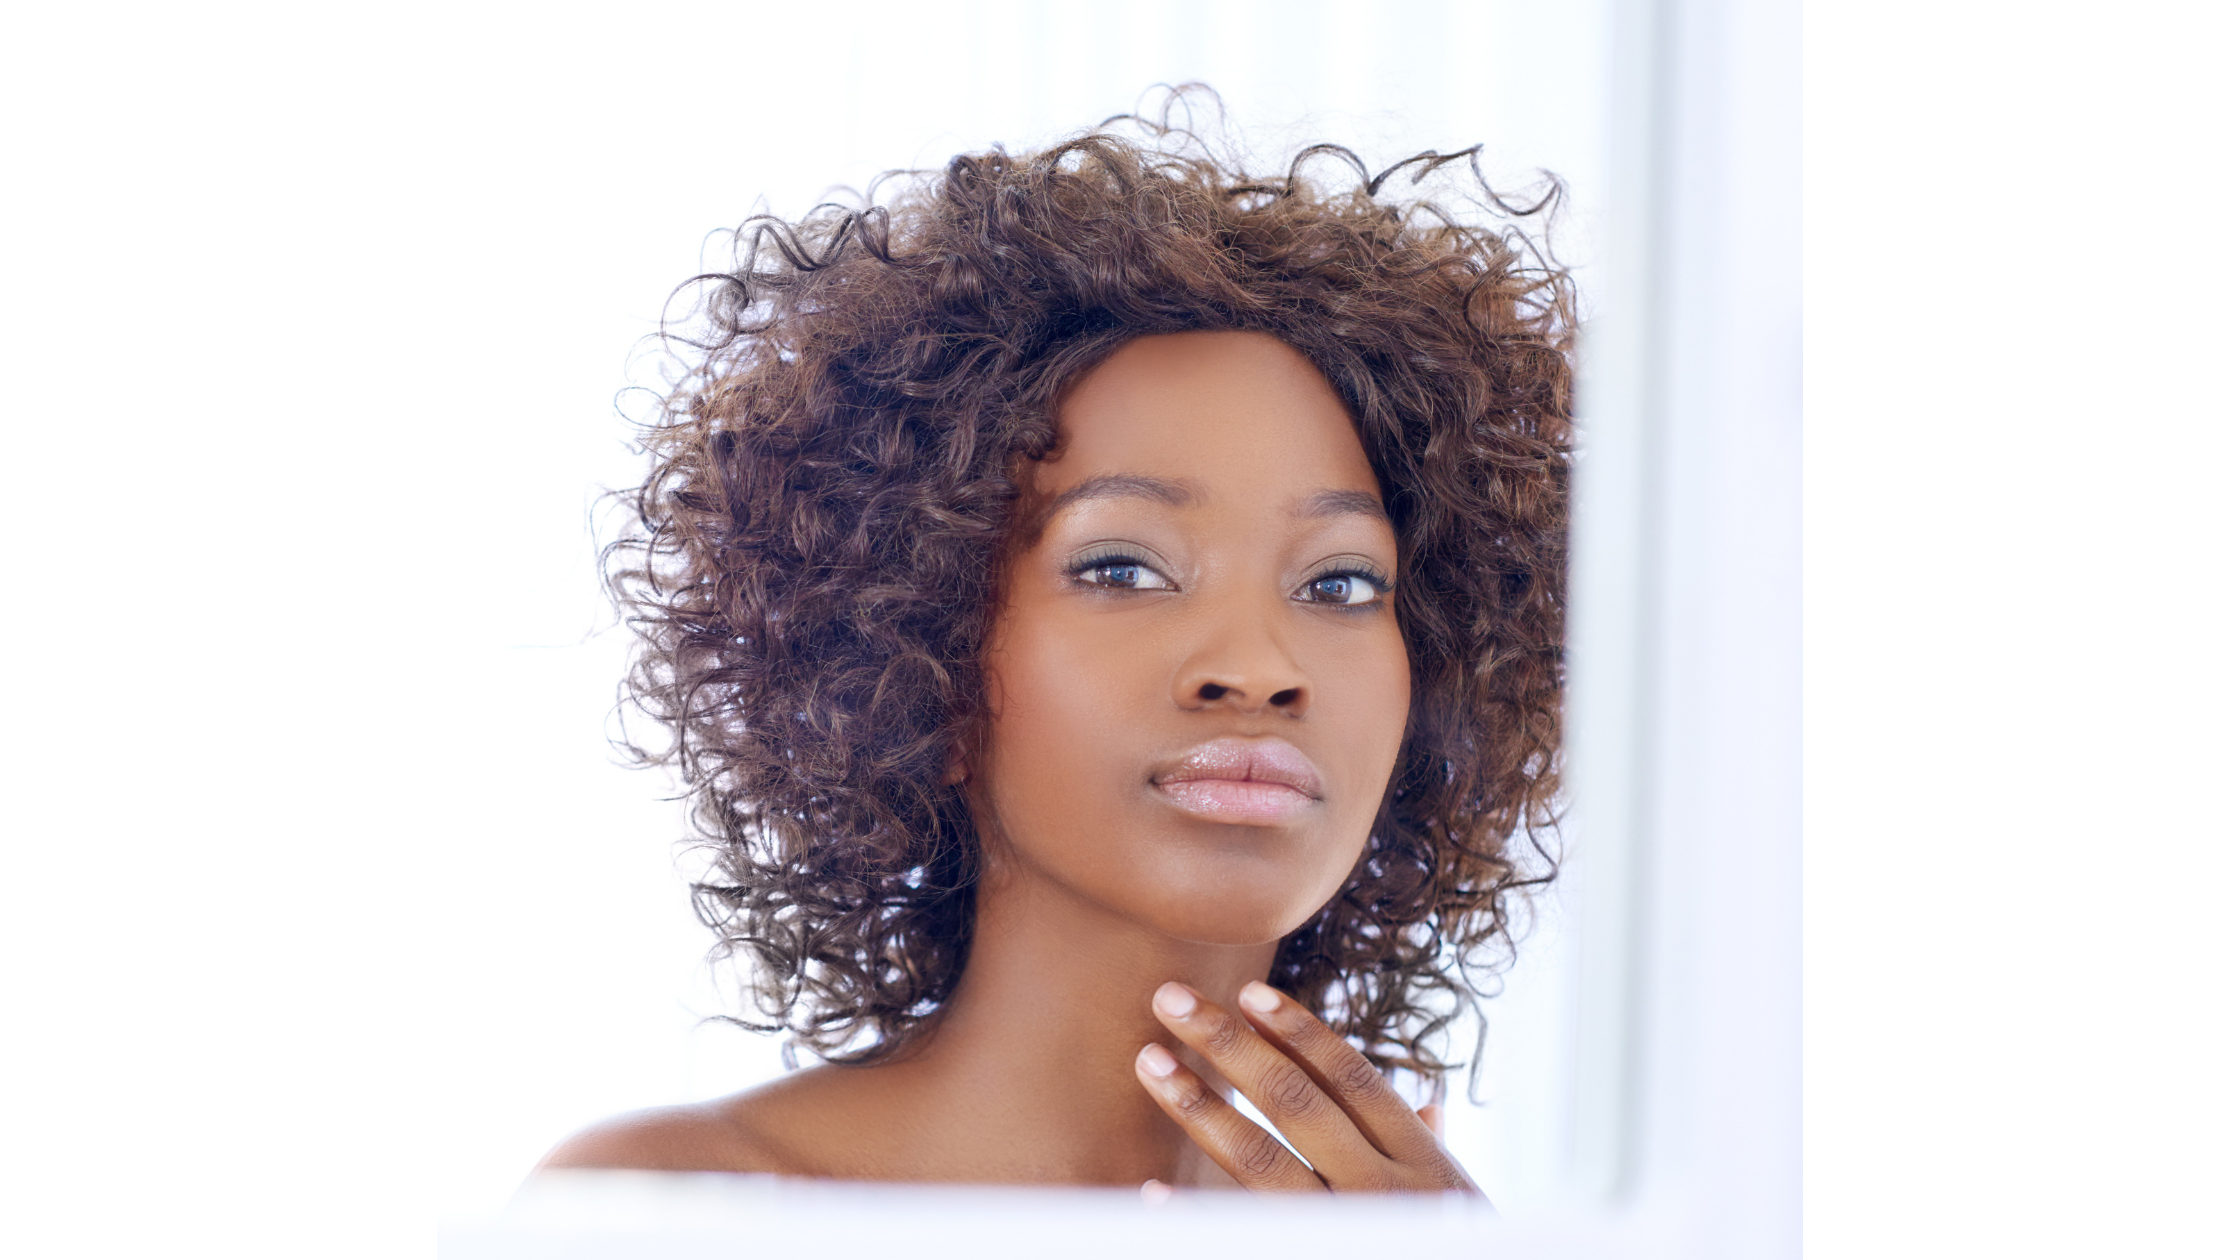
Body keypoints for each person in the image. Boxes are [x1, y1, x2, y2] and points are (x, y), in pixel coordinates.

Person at [540, 100, 1572, 1193]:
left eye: (1340, 582)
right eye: (1121, 569)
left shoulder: (1407, 1230)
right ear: (914, 669)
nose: (1261, 667)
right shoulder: (673, 1204)